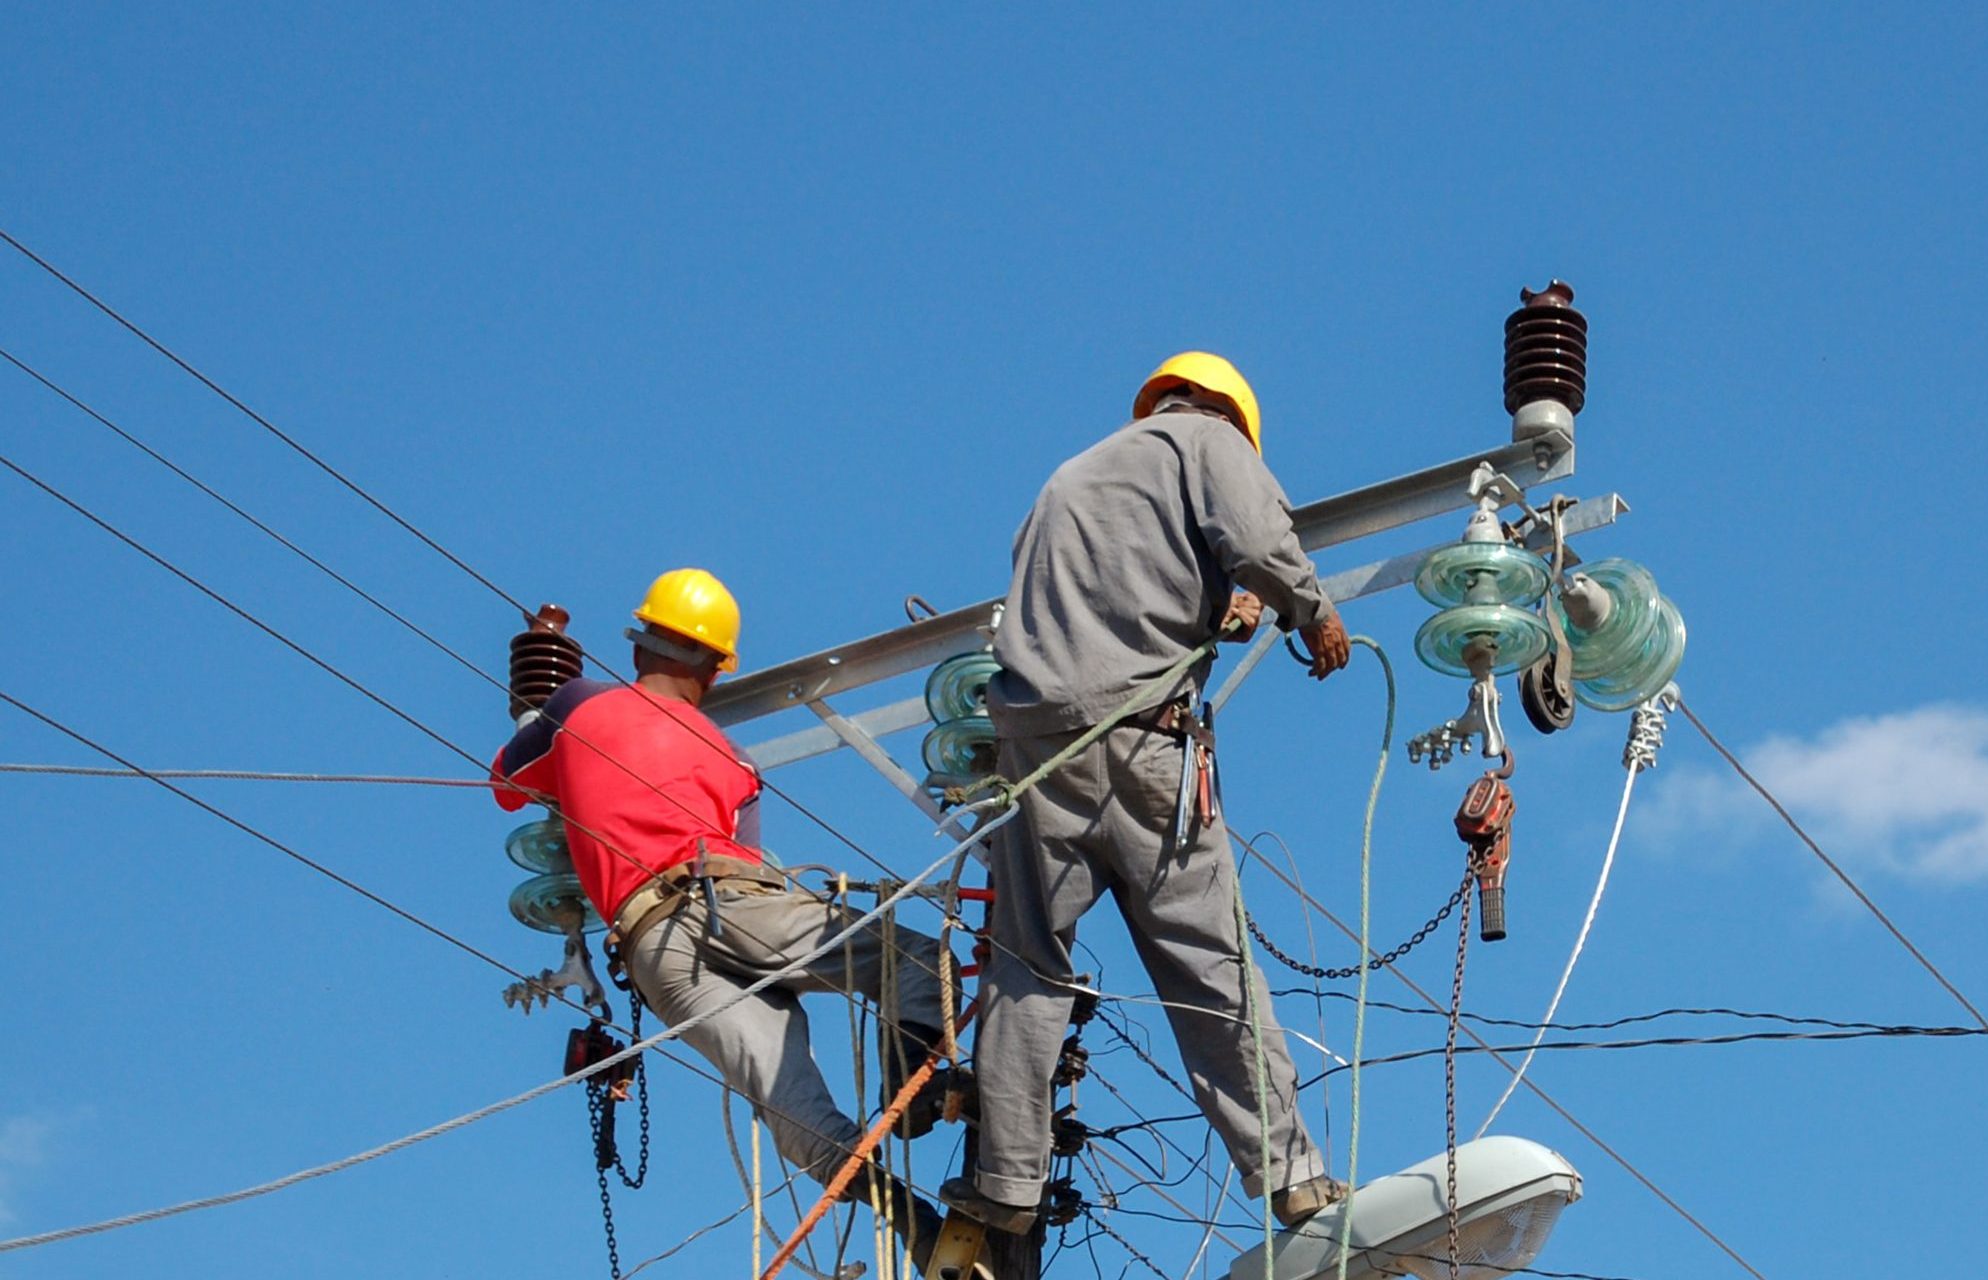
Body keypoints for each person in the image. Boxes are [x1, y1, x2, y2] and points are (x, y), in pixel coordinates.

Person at [945, 352, 1354, 1234]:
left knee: (1024, 967)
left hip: (1036, 753)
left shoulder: (1072, 477)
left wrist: (1212, 613)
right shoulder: (1206, 440)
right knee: (1207, 964)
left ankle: (1007, 1185)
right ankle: (1290, 1173)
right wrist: (1310, 609)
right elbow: (1254, 537)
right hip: (1140, 743)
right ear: (1224, 414)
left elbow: (1097, 601)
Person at [492, 567, 955, 1180]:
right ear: (715, 670)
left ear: (637, 644)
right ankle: (914, 1089)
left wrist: (544, 685)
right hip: (728, 901)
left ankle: (904, 1220)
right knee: (912, 959)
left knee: (778, 1088)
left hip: (653, 952)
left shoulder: (580, 706)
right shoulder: (736, 760)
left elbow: (507, 783)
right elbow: (747, 867)